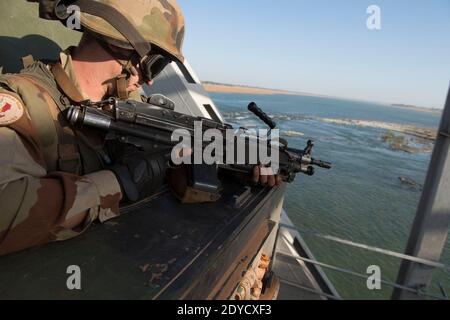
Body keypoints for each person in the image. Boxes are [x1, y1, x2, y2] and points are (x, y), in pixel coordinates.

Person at [0, 0, 280, 256]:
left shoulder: (129, 108)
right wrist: (119, 182)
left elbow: (169, 171)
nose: (148, 82)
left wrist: (237, 167)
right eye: (154, 65)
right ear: (121, 46)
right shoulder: (24, 103)